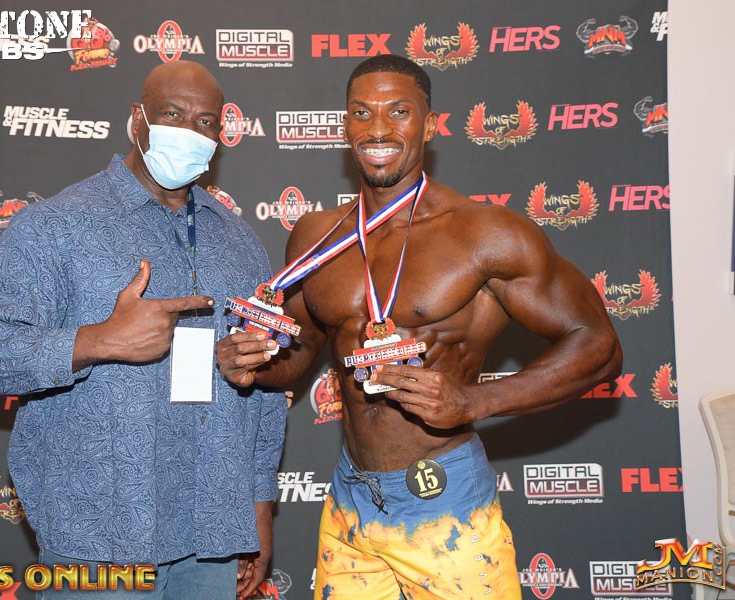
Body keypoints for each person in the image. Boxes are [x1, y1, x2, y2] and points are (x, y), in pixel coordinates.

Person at [216, 55, 623, 600]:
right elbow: (304, 347)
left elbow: (599, 346)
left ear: (429, 126)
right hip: (351, 504)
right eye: (362, 112)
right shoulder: (316, 235)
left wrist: (475, 400)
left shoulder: (485, 234)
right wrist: (254, 364)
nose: (378, 128)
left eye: (399, 112)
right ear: (345, 126)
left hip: (446, 501)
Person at [0, 61, 286, 600]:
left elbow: (263, 380)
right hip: (100, 534)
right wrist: (96, 341)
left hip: (214, 534)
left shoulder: (240, 242)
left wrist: (258, 505)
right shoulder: (57, 225)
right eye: (171, 114)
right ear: (137, 119)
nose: (189, 131)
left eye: (204, 122)